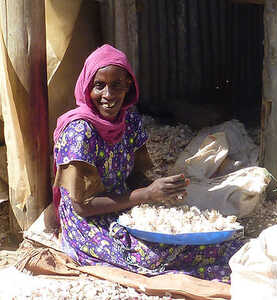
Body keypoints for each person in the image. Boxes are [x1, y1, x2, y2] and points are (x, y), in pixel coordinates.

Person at [52, 44, 243, 282]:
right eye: (99, 85)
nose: (108, 96)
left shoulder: (129, 119)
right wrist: (146, 195)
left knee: (206, 239)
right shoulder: (79, 132)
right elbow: (82, 206)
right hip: (86, 220)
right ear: (86, 86)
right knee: (151, 256)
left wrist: (162, 190)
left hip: (121, 206)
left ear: (128, 86)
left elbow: (135, 178)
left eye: (117, 85)